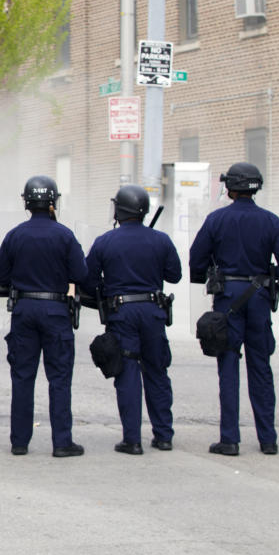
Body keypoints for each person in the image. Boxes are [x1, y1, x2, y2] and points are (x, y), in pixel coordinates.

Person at [189, 163, 279, 456]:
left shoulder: (216, 219)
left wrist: (209, 275)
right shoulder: (271, 221)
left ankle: (229, 439)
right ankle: (268, 440)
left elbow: (196, 260)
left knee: (228, 368)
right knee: (261, 368)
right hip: (258, 298)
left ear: (230, 188)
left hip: (227, 299)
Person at [82, 185, 181, 454]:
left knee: (127, 372)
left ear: (119, 210)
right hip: (153, 310)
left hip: (121, 312)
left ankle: (132, 439)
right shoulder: (160, 240)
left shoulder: (105, 241)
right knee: (157, 371)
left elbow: (88, 281)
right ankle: (163, 436)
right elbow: (175, 275)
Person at [0, 175, 87, 458]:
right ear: (53, 202)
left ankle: (19, 442)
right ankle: (62, 442)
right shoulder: (65, 235)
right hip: (56, 310)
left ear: (27, 202)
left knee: (22, 376)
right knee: (59, 378)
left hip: (23, 310)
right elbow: (82, 274)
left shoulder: (14, 235)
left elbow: (1, 277)